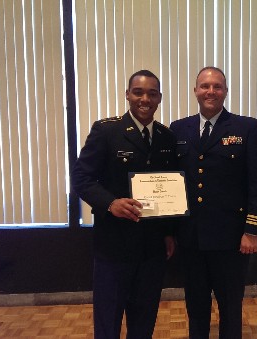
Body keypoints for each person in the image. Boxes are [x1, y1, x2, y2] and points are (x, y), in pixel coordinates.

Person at [72, 70, 177, 339]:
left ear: (160, 98)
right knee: (108, 321)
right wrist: (111, 203)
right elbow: (81, 178)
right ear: (128, 95)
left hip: (152, 249)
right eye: (138, 92)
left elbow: (167, 188)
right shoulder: (106, 131)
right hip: (114, 247)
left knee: (144, 321)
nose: (145, 99)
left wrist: (168, 232)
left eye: (152, 93)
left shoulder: (166, 137)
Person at [169, 66, 257, 338]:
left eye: (217, 86)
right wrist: (168, 231)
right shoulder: (178, 129)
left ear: (225, 92)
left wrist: (252, 231)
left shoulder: (246, 128)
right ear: (195, 91)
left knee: (230, 307)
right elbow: (171, 183)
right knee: (196, 305)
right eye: (205, 86)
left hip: (231, 239)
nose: (210, 91)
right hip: (191, 239)